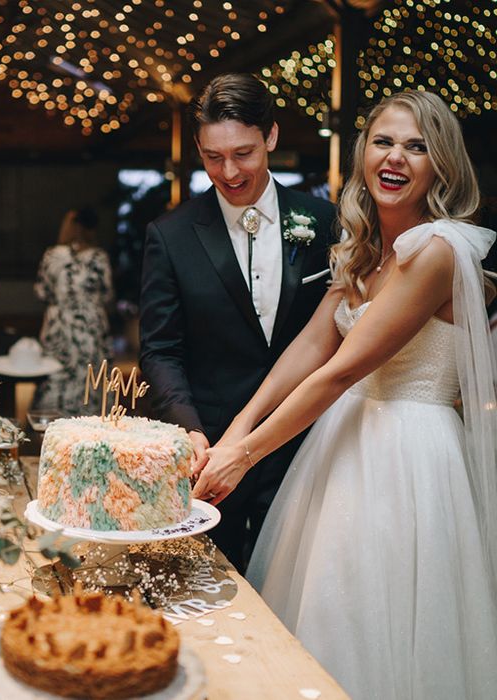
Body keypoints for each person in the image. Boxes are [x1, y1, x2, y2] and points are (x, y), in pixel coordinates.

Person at [193, 90, 497, 698]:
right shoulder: (366, 249)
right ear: (364, 154)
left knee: (384, 623)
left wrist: (245, 455)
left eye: (417, 147)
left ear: (441, 164)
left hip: (409, 458)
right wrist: (232, 433)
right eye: (384, 142)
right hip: (344, 446)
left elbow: (340, 372)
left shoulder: (436, 250)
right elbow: (306, 350)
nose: (396, 158)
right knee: (324, 604)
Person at [138, 73, 336, 570]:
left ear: (270, 137)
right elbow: (161, 349)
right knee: (212, 584)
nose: (228, 172)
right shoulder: (171, 235)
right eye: (212, 157)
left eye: (243, 153)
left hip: (307, 440)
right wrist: (189, 430)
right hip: (213, 453)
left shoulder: (327, 221)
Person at [32, 208, 114, 414]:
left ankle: (52, 425)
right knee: (91, 376)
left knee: (56, 375)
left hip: (58, 326)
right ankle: (92, 427)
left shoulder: (52, 256)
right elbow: (107, 294)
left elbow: (42, 292)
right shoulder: (98, 257)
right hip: (90, 328)